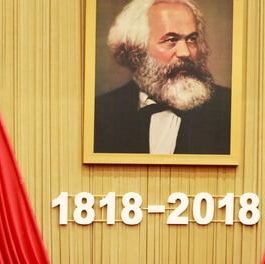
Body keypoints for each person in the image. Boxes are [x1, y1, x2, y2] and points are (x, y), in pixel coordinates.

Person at [94, 0, 231, 155]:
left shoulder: (228, 109)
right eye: (171, 40)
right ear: (137, 48)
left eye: (191, 39)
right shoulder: (100, 113)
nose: (185, 52)